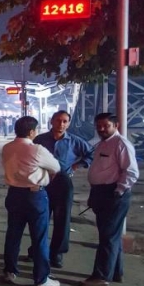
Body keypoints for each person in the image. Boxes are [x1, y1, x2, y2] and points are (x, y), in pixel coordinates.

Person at [1, 115, 62, 286]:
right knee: (39, 238)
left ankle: (9, 272)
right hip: (35, 196)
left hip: (14, 195)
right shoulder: (37, 149)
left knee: (13, 235)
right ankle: (42, 279)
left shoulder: (7, 148)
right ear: (31, 132)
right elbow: (56, 167)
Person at [82, 112, 139, 286]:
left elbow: (131, 172)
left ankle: (101, 277)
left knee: (108, 237)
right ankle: (115, 272)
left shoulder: (121, 144)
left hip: (113, 194)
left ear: (116, 125)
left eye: (106, 126)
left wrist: (118, 191)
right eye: (98, 126)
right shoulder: (102, 143)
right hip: (100, 193)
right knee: (111, 236)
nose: (101, 129)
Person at [31, 110, 93, 268]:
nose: (61, 124)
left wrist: (76, 165)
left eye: (65, 121)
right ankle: (37, 249)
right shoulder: (40, 140)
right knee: (40, 217)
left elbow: (91, 154)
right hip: (43, 181)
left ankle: (57, 253)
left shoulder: (75, 141)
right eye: (58, 120)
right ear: (51, 121)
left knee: (62, 218)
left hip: (63, 182)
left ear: (69, 123)